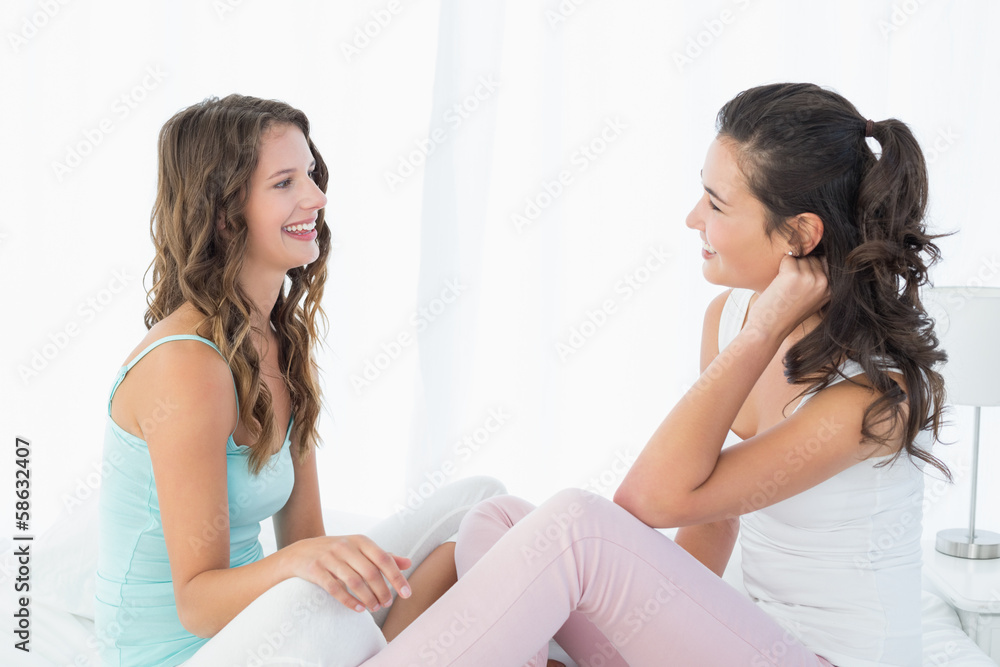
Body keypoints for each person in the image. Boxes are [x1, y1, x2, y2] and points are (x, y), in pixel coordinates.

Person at [352, 83, 948, 666]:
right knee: (499, 519)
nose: (693, 218)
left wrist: (762, 333)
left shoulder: (872, 399)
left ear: (800, 234)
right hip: (747, 637)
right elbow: (710, 514)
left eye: (716, 205)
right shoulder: (731, 318)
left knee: (576, 528)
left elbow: (648, 500)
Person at [94, 94, 506, 667]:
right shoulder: (186, 366)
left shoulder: (278, 341)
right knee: (328, 612)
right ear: (221, 210)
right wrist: (300, 568)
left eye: (310, 175)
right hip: (184, 652)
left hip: (262, 627)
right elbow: (196, 601)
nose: (316, 198)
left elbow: (304, 537)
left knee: (483, 507)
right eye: (284, 182)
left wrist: (316, 565)